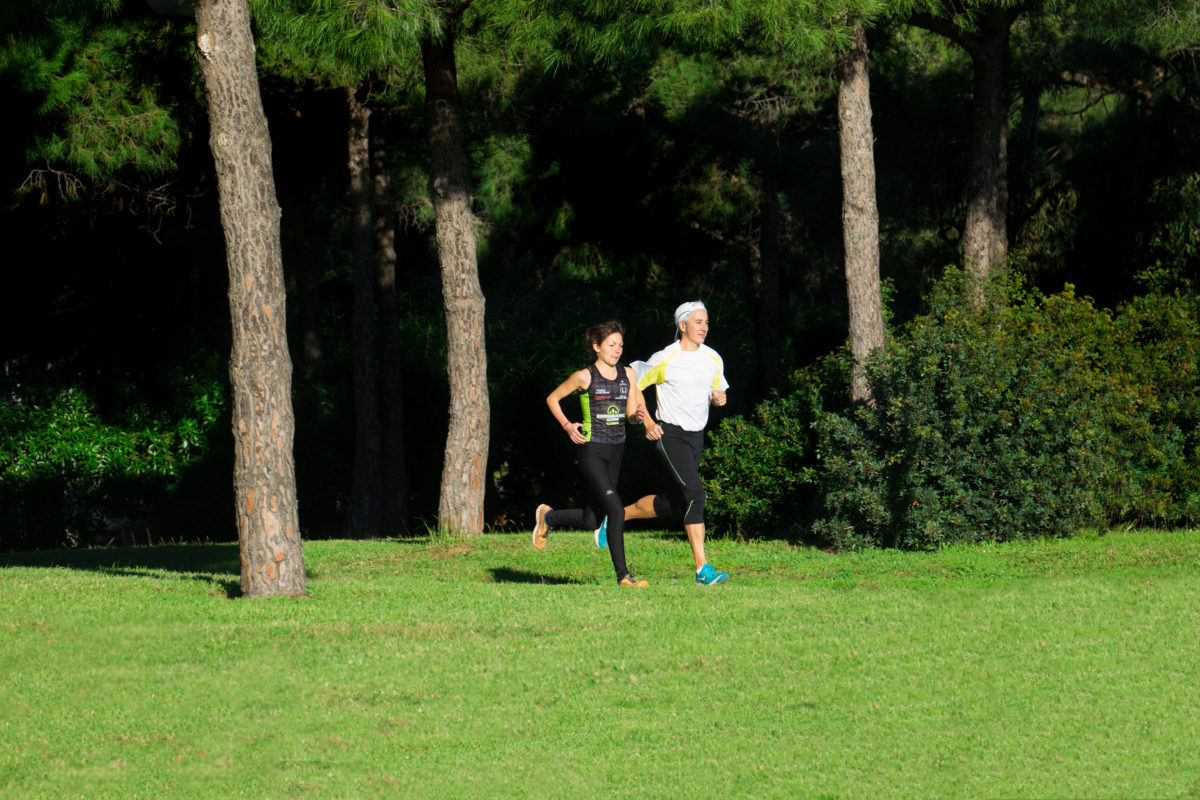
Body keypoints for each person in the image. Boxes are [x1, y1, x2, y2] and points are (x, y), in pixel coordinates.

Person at [531, 320, 663, 587]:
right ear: (596, 346)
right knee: (615, 509)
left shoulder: (628, 374)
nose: (617, 350)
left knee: (592, 517)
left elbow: (628, 415)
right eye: (611, 345)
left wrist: (638, 417)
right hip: (592, 451)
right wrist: (568, 426)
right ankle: (623, 577)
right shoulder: (585, 376)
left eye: (620, 345)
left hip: (617, 450)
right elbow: (552, 399)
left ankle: (548, 517)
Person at [625, 300, 731, 585]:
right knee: (695, 493)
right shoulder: (666, 357)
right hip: (669, 434)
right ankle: (702, 570)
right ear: (682, 326)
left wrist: (718, 397)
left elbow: (717, 390)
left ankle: (616, 515)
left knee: (669, 504)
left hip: (697, 436)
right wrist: (647, 422)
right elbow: (634, 379)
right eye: (698, 322)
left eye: (706, 322)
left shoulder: (713, 358)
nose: (704, 327)